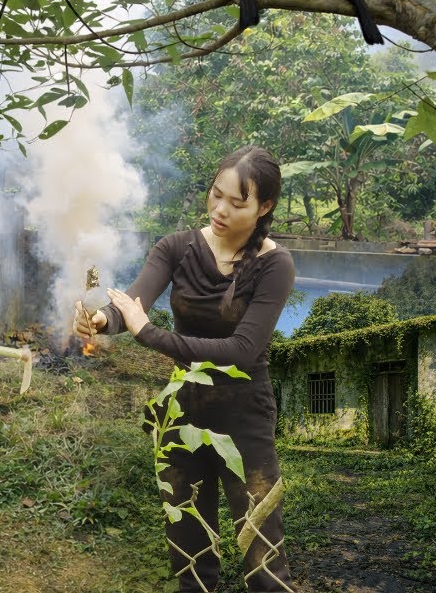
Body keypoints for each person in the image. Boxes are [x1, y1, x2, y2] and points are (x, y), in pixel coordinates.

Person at [73, 145, 296, 593]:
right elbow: (132, 306)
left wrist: (148, 334)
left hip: (244, 417)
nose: (220, 209)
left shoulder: (275, 265)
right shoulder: (176, 248)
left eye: (237, 203)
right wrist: (103, 320)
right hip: (182, 410)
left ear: (264, 207)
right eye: (216, 195)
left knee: (262, 552)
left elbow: (241, 350)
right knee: (189, 547)